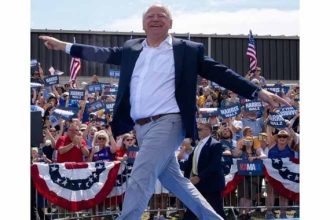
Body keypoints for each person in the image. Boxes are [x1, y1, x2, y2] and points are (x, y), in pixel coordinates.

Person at [39, 4, 289, 219]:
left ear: (170, 23)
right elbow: (100, 54)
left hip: (169, 122)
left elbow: (221, 72)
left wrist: (259, 92)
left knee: (141, 175)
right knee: (177, 182)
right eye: (150, 16)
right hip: (141, 127)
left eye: (161, 16)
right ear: (143, 24)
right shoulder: (131, 49)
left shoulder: (187, 50)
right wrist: (64, 46)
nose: (155, 19)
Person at [183, 122, 226, 219]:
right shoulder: (199, 144)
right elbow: (191, 163)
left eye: (200, 129)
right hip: (199, 184)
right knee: (192, 210)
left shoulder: (215, 145)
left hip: (211, 185)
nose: (197, 132)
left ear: (208, 130)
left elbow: (215, 165)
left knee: (217, 211)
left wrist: (199, 177)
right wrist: (186, 178)